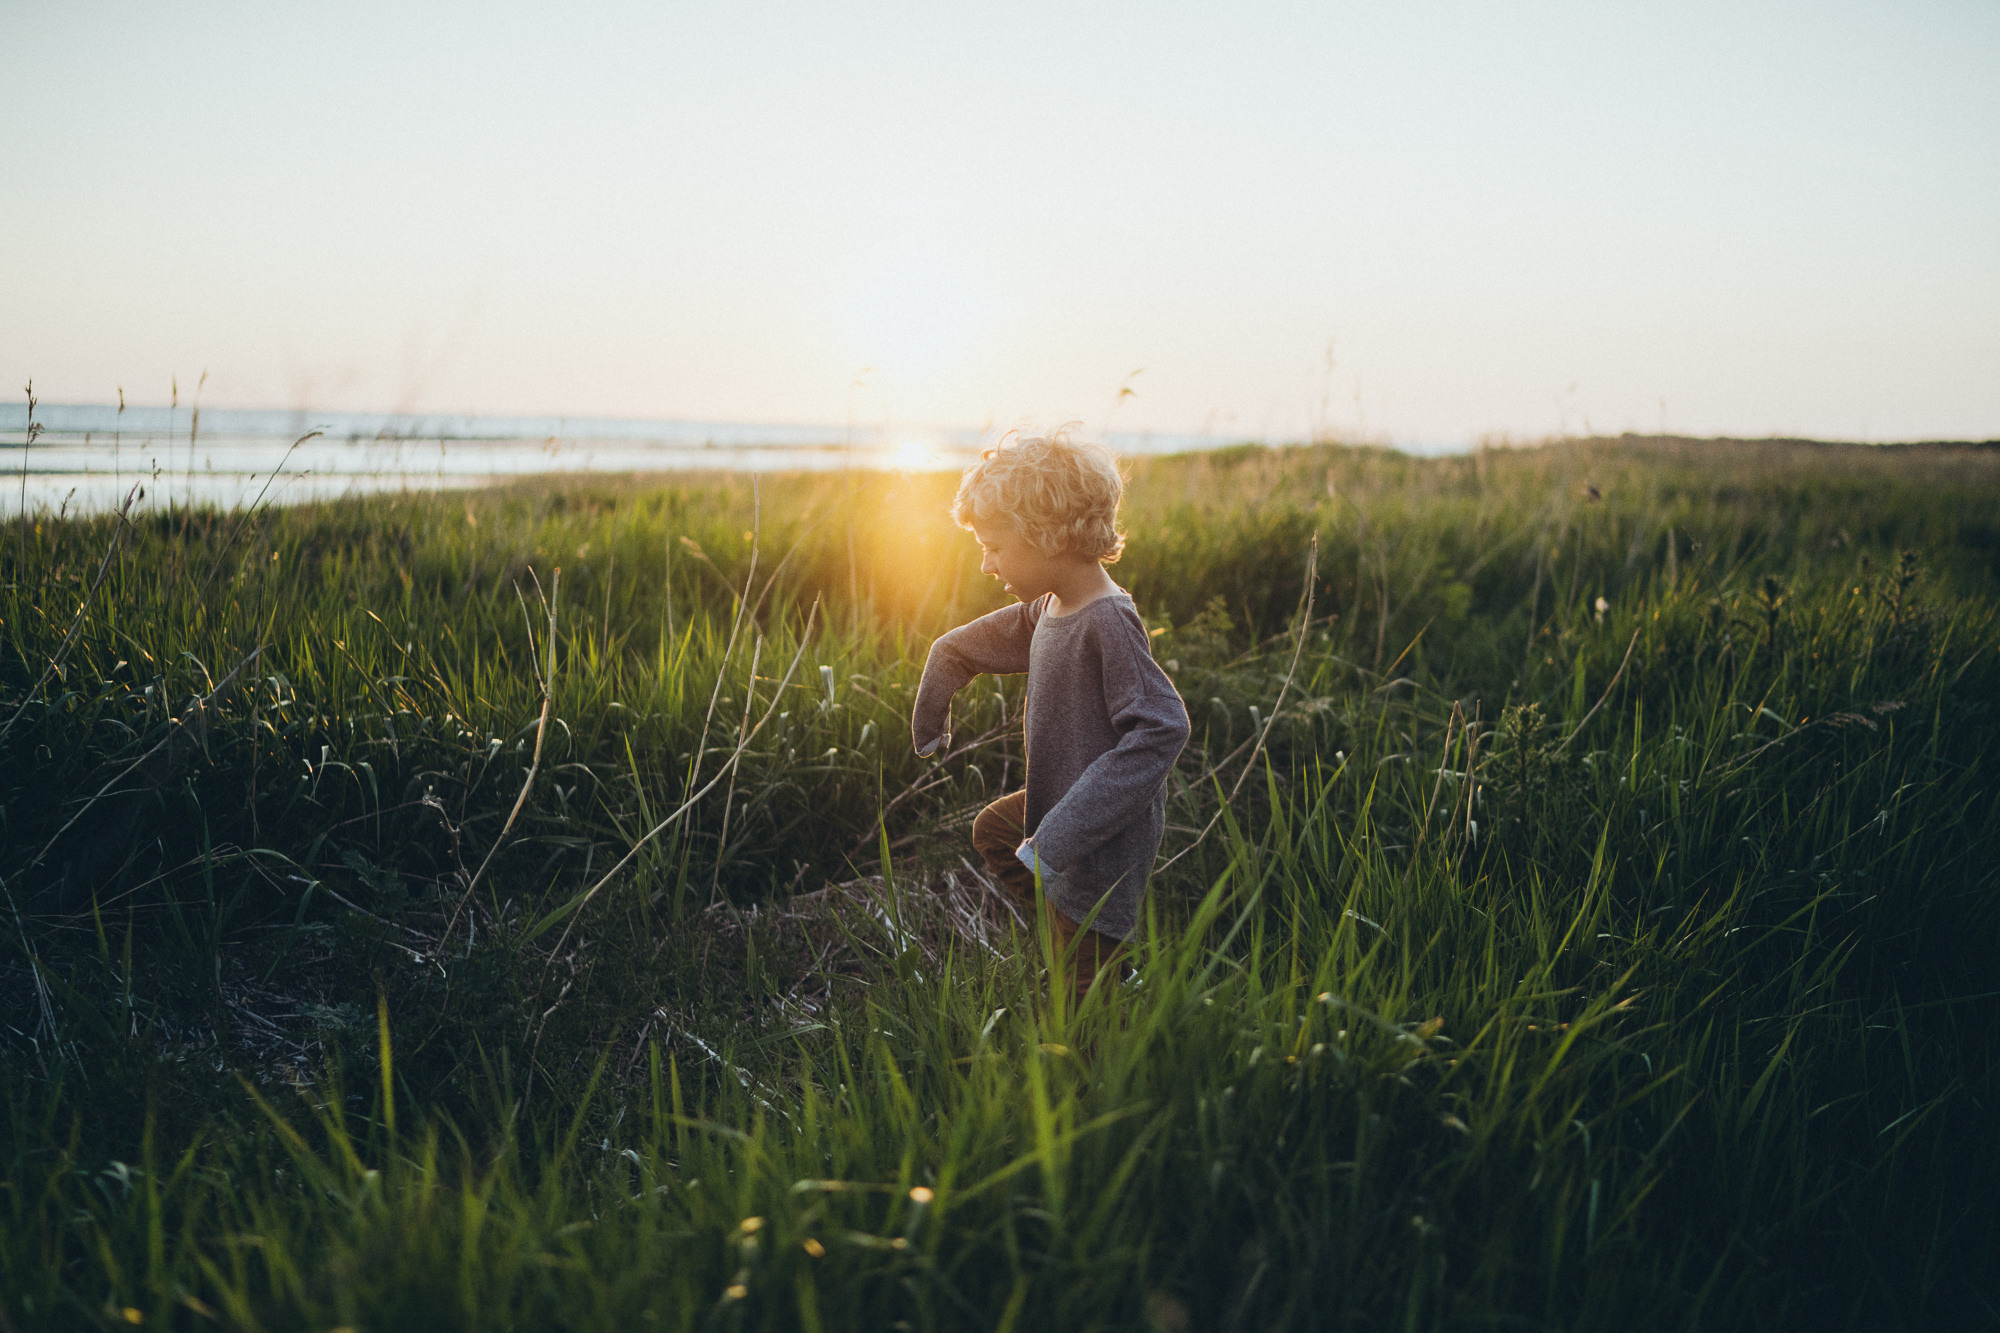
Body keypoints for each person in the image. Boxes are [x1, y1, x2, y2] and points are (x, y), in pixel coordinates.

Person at [911, 428, 1191, 1002]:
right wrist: (943, 670)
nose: (986, 565)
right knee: (995, 831)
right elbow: (978, 642)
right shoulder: (1052, 607)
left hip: (1100, 831)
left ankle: (1099, 988)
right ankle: (1080, 946)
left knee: (1081, 1013)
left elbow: (1164, 726)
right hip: (1057, 808)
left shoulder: (1107, 619)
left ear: (1047, 535)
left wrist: (1060, 838)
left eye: (994, 547)